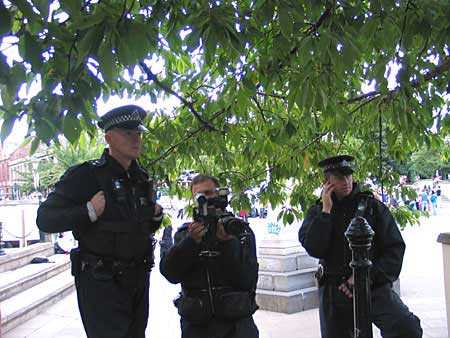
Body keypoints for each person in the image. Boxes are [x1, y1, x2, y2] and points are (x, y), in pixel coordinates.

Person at [36, 105, 163, 338]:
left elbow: (140, 226)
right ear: (109, 138)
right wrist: (88, 211)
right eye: (128, 133)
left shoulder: (140, 177)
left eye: (138, 133)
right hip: (102, 282)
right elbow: (45, 219)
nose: (136, 139)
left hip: (137, 279)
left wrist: (155, 217)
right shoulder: (86, 175)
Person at [298, 155, 422, 338]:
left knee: (407, 328)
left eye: (348, 176)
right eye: (339, 177)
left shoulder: (372, 207)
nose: (346, 181)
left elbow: (394, 249)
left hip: (372, 286)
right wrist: (326, 212)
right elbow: (315, 248)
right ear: (327, 181)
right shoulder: (317, 212)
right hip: (335, 292)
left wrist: (366, 278)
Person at [160, 174, 259, 338]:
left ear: (219, 194)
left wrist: (227, 244)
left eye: (209, 193)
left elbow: (247, 280)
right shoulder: (186, 235)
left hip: (237, 327)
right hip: (197, 327)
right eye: (199, 196)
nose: (205, 200)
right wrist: (192, 243)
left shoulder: (239, 230)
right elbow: (170, 274)